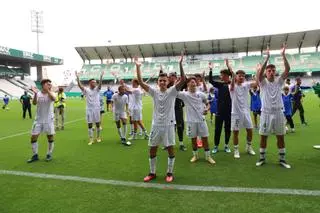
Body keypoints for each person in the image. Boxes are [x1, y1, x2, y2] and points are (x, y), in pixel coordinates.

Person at [135, 52, 186, 183]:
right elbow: (140, 82)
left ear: (168, 82)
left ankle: (170, 173)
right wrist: (138, 67)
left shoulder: (172, 91)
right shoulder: (154, 92)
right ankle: (152, 173)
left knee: (170, 148)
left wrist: (180, 64)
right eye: (160, 80)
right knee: (152, 149)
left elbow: (183, 79)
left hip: (169, 125)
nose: (162, 82)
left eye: (164, 80)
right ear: (157, 82)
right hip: (156, 125)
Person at [256, 45, 291, 168]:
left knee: (280, 137)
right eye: (269, 70)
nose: (271, 72)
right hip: (265, 113)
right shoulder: (263, 83)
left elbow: (287, 69)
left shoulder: (279, 82)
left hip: (278, 113)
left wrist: (283, 55)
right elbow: (259, 74)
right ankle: (262, 158)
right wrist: (267, 58)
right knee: (263, 136)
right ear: (266, 73)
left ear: (275, 72)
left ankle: (282, 160)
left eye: (273, 70)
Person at [177, 76, 216, 164]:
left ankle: (208, 156)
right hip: (191, 121)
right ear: (187, 84)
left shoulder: (201, 94)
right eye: (191, 81)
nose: (193, 83)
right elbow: (174, 91)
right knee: (193, 139)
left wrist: (207, 109)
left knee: (205, 138)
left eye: (194, 81)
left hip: (201, 120)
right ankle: (195, 155)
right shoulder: (184, 94)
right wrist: (179, 81)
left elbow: (207, 104)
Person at [227, 59, 256, 159]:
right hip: (236, 113)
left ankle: (248, 147)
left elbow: (257, 83)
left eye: (243, 76)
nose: (242, 77)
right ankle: (236, 150)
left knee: (250, 130)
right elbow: (232, 84)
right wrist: (230, 69)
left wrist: (258, 71)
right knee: (236, 132)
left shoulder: (246, 85)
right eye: (240, 76)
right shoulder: (232, 86)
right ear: (236, 77)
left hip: (246, 112)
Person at [27, 79, 56, 163]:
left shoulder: (52, 93)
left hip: (48, 119)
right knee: (33, 137)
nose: (50, 85)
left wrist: (48, 91)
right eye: (48, 84)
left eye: (50, 84)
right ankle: (35, 155)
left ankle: (49, 154)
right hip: (38, 119)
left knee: (50, 137)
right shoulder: (38, 94)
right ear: (43, 85)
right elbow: (34, 103)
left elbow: (53, 99)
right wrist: (35, 94)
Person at [75, 71, 104, 145]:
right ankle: (91, 139)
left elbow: (100, 85)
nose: (95, 83)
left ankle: (98, 137)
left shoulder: (97, 89)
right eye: (93, 82)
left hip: (97, 109)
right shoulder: (86, 90)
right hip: (89, 109)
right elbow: (80, 86)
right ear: (90, 83)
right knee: (90, 124)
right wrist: (78, 78)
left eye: (95, 82)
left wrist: (101, 77)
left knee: (97, 124)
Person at [208, 62, 232, 154]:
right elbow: (210, 80)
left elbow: (233, 75)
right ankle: (216, 146)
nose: (220, 77)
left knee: (227, 129)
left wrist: (228, 66)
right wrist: (210, 69)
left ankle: (226, 145)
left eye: (221, 75)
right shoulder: (220, 84)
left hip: (229, 112)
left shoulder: (232, 84)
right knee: (217, 129)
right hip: (219, 111)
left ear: (226, 76)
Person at [167, 72, 187, 151]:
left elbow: (185, 79)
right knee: (170, 126)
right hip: (169, 109)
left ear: (175, 77)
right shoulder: (167, 85)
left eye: (172, 76)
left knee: (180, 126)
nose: (170, 78)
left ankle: (181, 143)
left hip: (178, 108)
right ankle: (169, 143)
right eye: (170, 76)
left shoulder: (179, 85)